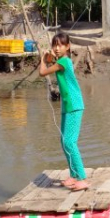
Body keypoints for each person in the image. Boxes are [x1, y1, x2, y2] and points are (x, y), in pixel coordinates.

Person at [39, 32, 89, 191]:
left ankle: (82, 178)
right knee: (64, 142)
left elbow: (42, 72)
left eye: (60, 45)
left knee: (70, 142)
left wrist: (42, 58)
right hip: (67, 106)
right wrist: (48, 56)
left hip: (74, 105)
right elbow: (51, 61)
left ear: (67, 47)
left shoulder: (65, 62)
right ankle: (74, 175)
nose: (57, 48)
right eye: (55, 45)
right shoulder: (60, 61)